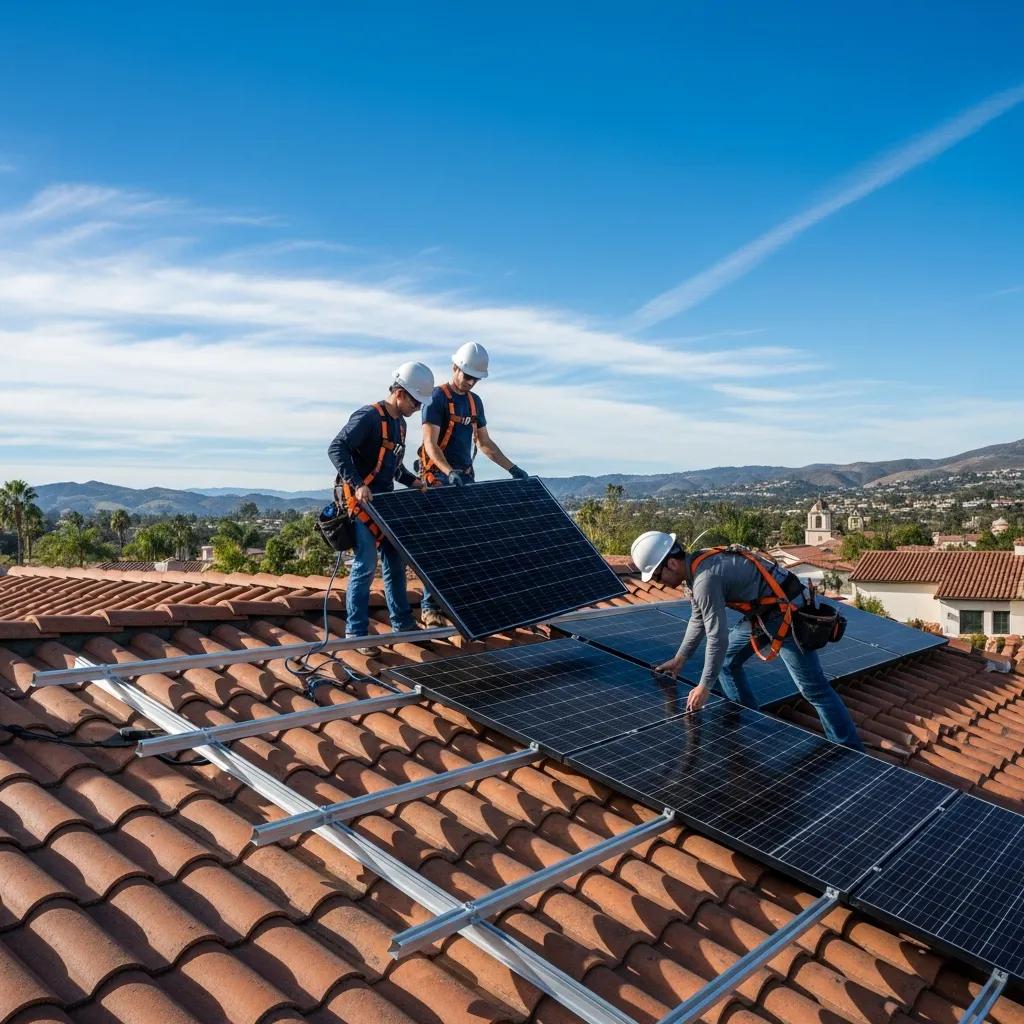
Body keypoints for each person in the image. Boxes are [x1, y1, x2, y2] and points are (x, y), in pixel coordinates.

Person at [630, 531, 864, 751]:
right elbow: (698, 619)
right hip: (763, 612)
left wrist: (704, 686)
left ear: (671, 563)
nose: (659, 583)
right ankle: (751, 725)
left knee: (813, 689)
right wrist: (680, 659)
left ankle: (849, 748)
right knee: (727, 662)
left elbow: (716, 637)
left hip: (787, 611)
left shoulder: (705, 579)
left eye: (658, 576)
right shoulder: (696, 568)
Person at [418, 342, 528, 628]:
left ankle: (457, 604)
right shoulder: (435, 399)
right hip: (439, 480)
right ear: (455, 367)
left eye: (475, 378)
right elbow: (430, 444)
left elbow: (485, 443)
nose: (470, 382)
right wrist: (448, 471)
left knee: (466, 545)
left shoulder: (474, 402)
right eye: (466, 376)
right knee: (440, 546)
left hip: (464, 480)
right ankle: (429, 608)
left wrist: (512, 468)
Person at [328, 362, 435, 651]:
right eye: (414, 401)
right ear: (400, 393)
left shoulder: (399, 424)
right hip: (362, 502)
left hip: (385, 502)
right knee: (365, 563)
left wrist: (413, 482)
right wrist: (358, 483)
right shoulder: (369, 417)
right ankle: (356, 632)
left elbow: (393, 465)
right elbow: (337, 448)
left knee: (394, 561)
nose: (416, 408)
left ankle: (401, 621)